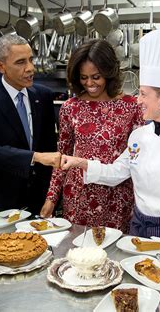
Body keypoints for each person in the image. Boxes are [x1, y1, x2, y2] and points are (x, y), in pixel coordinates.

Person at [61, 29, 160, 245]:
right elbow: (117, 172)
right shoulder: (138, 136)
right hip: (137, 226)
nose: (137, 100)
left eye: (143, 93)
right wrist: (81, 163)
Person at [39, 39, 144, 232]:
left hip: (118, 195)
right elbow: (61, 157)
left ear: (109, 73)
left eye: (96, 77)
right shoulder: (70, 108)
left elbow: (137, 159)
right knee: (77, 254)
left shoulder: (132, 107)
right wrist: (51, 199)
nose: (89, 84)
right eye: (83, 77)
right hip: (79, 195)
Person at [0, 34, 60, 214]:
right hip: (2, 202)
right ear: (0, 66)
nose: (30, 68)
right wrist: (34, 157)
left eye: (31, 60)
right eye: (20, 62)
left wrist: (53, 196)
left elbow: (50, 146)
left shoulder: (44, 96)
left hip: (40, 200)